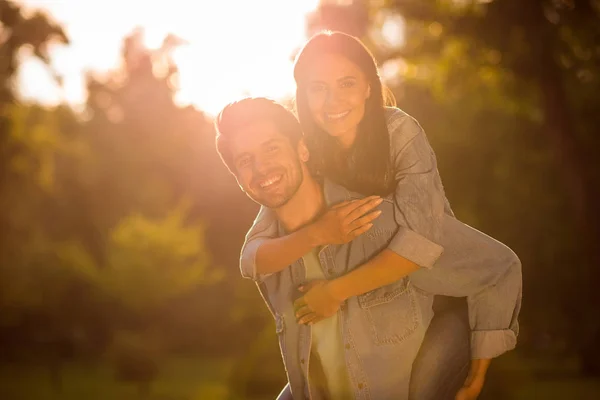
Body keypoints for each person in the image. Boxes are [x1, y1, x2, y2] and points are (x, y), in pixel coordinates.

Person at [214, 97, 522, 400]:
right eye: (245, 160)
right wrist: (316, 234)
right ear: (239, 179)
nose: (261, 167)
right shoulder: (272, 257)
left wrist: (475, 377)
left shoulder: (376, 218)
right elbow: (251, 261)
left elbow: (498, 267)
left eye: (272, 148)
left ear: (302, 149)